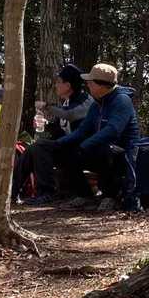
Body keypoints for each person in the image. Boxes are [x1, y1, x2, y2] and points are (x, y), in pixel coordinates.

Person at [45, 63, 141, 212]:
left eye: (91, 82)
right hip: (101, 148)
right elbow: (82, 131)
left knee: (102, 149)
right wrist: (57, 144)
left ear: (102, 85)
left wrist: (86, 145)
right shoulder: (96, 104)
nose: (88, 85)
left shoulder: (122, 100)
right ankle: (84, 195)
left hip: (123, 152)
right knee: (65, 151)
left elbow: (112, 131)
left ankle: (110, 196)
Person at [15, 65, 96, 204]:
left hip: (86, 149)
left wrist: (46, 106)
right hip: (69, 148)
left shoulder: (85, 100)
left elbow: (70, 115)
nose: (56, 85)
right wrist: (46, 127)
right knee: (33, 149)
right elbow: (60, 129)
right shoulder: (67, 101)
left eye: (58, 82)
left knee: (40, 146)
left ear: (68, 85)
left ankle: (47, 193)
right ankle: (11, 191)